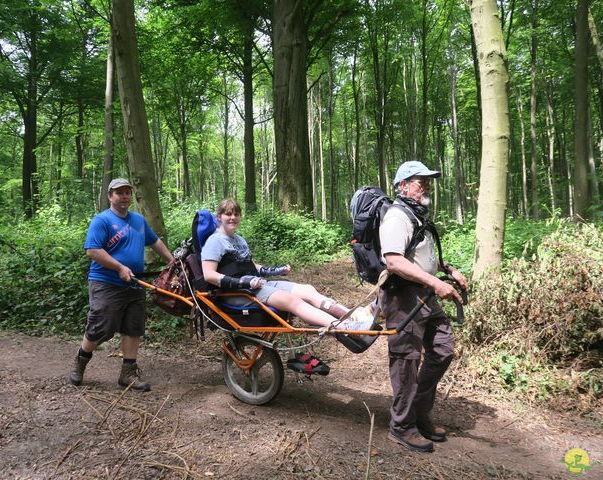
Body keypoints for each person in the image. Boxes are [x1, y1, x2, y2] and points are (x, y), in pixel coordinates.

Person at [379, 161, 468, 453]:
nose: (426, 186)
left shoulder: (418, 215)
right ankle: (402, 426)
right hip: (403, 298)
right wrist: (436, 283)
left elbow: (422, 256)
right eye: (420, 181)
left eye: (428, 181)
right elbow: (394, 261)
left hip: (425, 295)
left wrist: (449, 270)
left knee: (442, 349)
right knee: (406, 361)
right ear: (403, 185)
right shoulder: (396, 217)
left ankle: (417, 411)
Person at [200, 199, 375, 332]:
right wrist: (242, 283)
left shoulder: (239, 239)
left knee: (307, 289)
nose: (232, 218)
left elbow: (252, 266)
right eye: (228, 214)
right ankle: (344, 326)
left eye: (236, 214)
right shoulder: (214, 241)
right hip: (237, 293)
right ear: (219, 217)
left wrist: (276, 270)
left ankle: (355, 315)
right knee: (292, 300)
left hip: (255, 285)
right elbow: (209, 275)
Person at [69, 178, 174, 391]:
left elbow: (155, 242)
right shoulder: (102, 221)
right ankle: (80, 362)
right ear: (110, 196)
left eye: (127, 192)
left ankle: (127, 374)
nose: (124, 196)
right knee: (101, 327)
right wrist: (119, 267)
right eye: (119, 192)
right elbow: (92, 250)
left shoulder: (138, 220)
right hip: (106, 283)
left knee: (133, 327)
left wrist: (172, 262)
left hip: (135, 283)